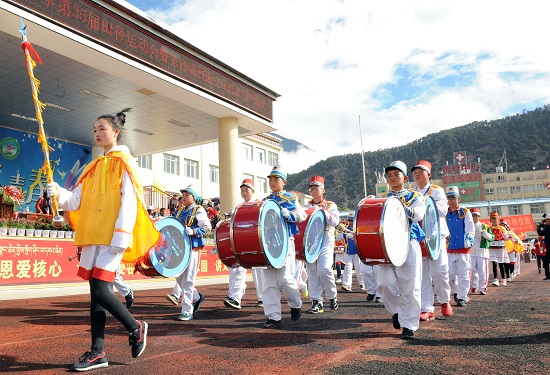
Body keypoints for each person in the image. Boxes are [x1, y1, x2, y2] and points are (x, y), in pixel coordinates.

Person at [46, 108, 158, 371]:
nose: (97, 133)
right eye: (94, 130)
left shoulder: (125, 163)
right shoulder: (93, 166)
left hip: (112, 236)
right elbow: (75, 201)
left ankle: (136, 326)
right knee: (96, 294)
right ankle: (98, 352)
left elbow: (129, 203)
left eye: (102, 129)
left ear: (116, 132)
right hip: (94, 236)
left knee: (100, 289)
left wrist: (122, 234)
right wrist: (57, 192)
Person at [377, 161, 425, 339]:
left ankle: (409, 325)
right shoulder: (382, 199)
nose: (392, 178)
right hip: (387, 245)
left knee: (410, 285)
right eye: (389, 175)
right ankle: (397, 311)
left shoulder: (415, 196)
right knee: (383, 284)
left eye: (396, 175)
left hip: (408, 241)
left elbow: (418, 215)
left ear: (404, 178)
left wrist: (400, 207)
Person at [260, 165, 305, 328]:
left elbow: (302, 215)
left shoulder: (290, 198)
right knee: (269, 282)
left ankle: (295, 303)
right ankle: (273, 316)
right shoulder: (265, 201)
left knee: (285, 279)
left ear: (284, 182)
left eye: (276, 179)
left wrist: (290, 215)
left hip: (285, 241)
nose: (272, 182)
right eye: (270, 179)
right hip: (268, 244)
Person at [410, 160, 453, 320]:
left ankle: (444, 301)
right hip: (418, 236)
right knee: (422, 273)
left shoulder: (437, 191)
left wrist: (425, 203)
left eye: (420, 172)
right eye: (415, 173)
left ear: (428, 174)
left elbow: (443, 210)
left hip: (436, 236)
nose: (417, 175)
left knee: (440, 271)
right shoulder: (411, 192)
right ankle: (427, 308)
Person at [223, 179, 264, 309]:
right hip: (241, 243)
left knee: (258, 273)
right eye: (242, 191)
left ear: (253, 191)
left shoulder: (260, 205)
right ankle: (235, 298)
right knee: (238, 269)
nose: (244, 193)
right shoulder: (238, 207)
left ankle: (262, 298)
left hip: (255, 243)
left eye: (247, 190)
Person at [174, 185, 212, 320]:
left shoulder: (198, 210)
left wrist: (194, 231)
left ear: (194, 198)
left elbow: (207, 228)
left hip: (192, 248)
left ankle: (187, 310)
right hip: (179, 249)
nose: (184, 198)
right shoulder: (179, 212)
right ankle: (196, 297)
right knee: (178, 277)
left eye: (187, 195)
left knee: (189, 279)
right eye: (183, 195)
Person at [303, 176, 339, 313]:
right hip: (311, 243)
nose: (313, 190)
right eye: (311, 188)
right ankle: (316, 301)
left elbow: (335, 222)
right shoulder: (306, 206)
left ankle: (332, 295)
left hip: (325, 241)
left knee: (324, 269)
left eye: (316, 187)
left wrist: (323, 212)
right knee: (312, 273)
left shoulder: (330, 205)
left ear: (323, 189)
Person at [445, 186, 475, 307]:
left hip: (462, 248)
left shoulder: (465, 212)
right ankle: (457, 291)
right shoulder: (444, 213)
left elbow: (470, 229)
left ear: (458, 198)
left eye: (453, 198)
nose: (451, 201)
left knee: (463, 274)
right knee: (449, 274)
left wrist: (469, 240)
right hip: (449, 247)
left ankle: (463, 297)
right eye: (449, 198)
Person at [469, 208, 494, 295]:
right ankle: (474, 285)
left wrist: (485, 234)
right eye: (472, 215)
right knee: (472, 270)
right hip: (471, 251)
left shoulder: (484, 226)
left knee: (482, 270)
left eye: (476, 215)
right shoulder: (467, 226)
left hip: (482, 251)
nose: (474, 217)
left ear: (479, 216)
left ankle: (482, 287)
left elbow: (492, 238)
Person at [341, 213, 365, 292]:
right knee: (347, 268)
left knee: (359, 268)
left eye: (352, 220)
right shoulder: (345, 228)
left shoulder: (358, 228)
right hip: (348, 251)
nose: (350, 222)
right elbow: (339, 236)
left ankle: (362, 283)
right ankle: (347, 284)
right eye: (349, 220)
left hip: (357, 252)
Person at [488, 212, 510, 286]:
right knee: (494, 263)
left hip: (500, 247)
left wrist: (509, 237)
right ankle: (495, 279)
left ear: (498, 220)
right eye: (492, 219)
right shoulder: (489, 228)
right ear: (490, 220)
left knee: (501, 263)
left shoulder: (502, 228)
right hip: (492, 248)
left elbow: (505, 237)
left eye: (495, 219)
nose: (494, 220)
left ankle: (503, 279)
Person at [536, 215, 550, 280]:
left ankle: (548, 275)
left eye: (547, 220)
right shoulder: (547, 227)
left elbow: (541, 233)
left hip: (549, 247)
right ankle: (548, 275)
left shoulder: (548, 228)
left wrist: (538, 228)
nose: (546, 221)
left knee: (546, 261)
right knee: (546, 261)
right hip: (548, 247)